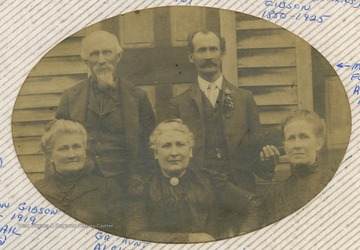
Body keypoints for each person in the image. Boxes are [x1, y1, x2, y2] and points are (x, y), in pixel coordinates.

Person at [167, 30, 279, 192]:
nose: (208, 56)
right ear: (190, 57)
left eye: (213, 49)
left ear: (222, 53)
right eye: (202, 50)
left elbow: (256, 148)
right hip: (196, 192)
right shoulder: (178, 104)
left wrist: (267, 160)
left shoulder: (245, 99)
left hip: (239, 189)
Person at [125, 119, 265, 243]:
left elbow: (254, 203)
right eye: (166, 146)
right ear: (156, 153)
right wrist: (188, 239)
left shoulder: (210, 180)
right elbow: (134, 234)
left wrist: (243, 236)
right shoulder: (143, 185)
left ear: (190, 151)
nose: (174, 152)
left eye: (180, 145)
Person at [55, 31, 156, 200]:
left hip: (126, 183)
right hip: (83, 181)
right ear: (86, 60)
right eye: (94, 54)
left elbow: (150, 144)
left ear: (118, 56)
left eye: (107, 52)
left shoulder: (137, 96)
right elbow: (56, 142)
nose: (101, 60)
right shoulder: (71, 96)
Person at [36, 120, 120, 234]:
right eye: (63, 148)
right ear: (50, 156)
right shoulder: (39, 190)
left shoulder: (106, 188)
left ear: (85, 152)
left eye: (77, 147)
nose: (72, 155)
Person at [268, 109, 329, 223]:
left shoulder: (332, 183)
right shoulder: (277, 193)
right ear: (285, 147)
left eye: (304, 137)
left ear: (318, 143)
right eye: (291, 138)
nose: (297, 145)